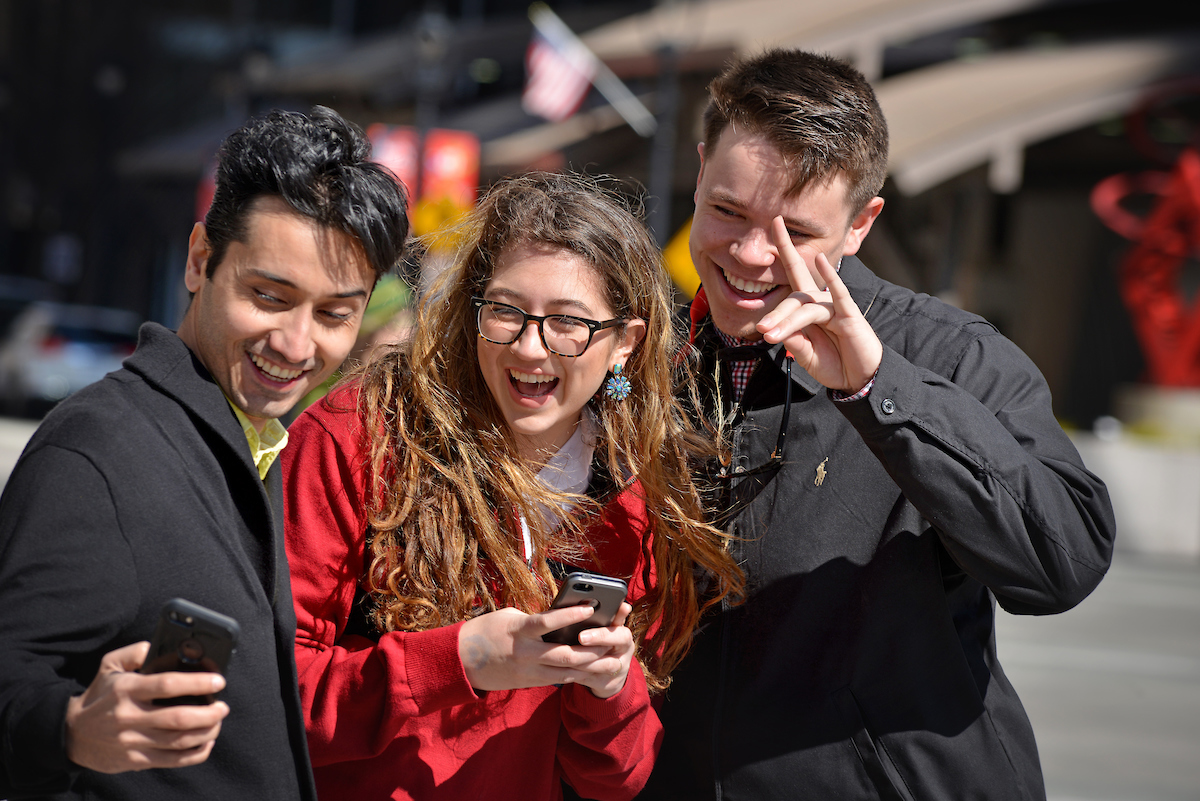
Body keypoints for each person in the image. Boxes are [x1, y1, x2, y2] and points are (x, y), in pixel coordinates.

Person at [637, 49, 1118, 800]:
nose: (753, 254)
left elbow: (1064, 560)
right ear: (699, 172)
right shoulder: (641, 354)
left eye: (797, 231)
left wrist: (878, 387)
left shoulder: (952, 354)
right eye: (727, 209)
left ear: (860, 225)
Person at [281, 171, 743, 801]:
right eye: (505, 312)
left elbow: (616, 779)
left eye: (568, 324)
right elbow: (274, 694)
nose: (530, 348)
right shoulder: (359, 434)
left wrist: (608, 689)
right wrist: (459, 660)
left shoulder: (640, 500)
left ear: (625, 345)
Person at [0, 106, 409, 800]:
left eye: (335, 313)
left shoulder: (255, 442)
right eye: (268, 296)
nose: (295, 342)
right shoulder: (97, 449)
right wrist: (72, 727)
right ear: (199, 261)